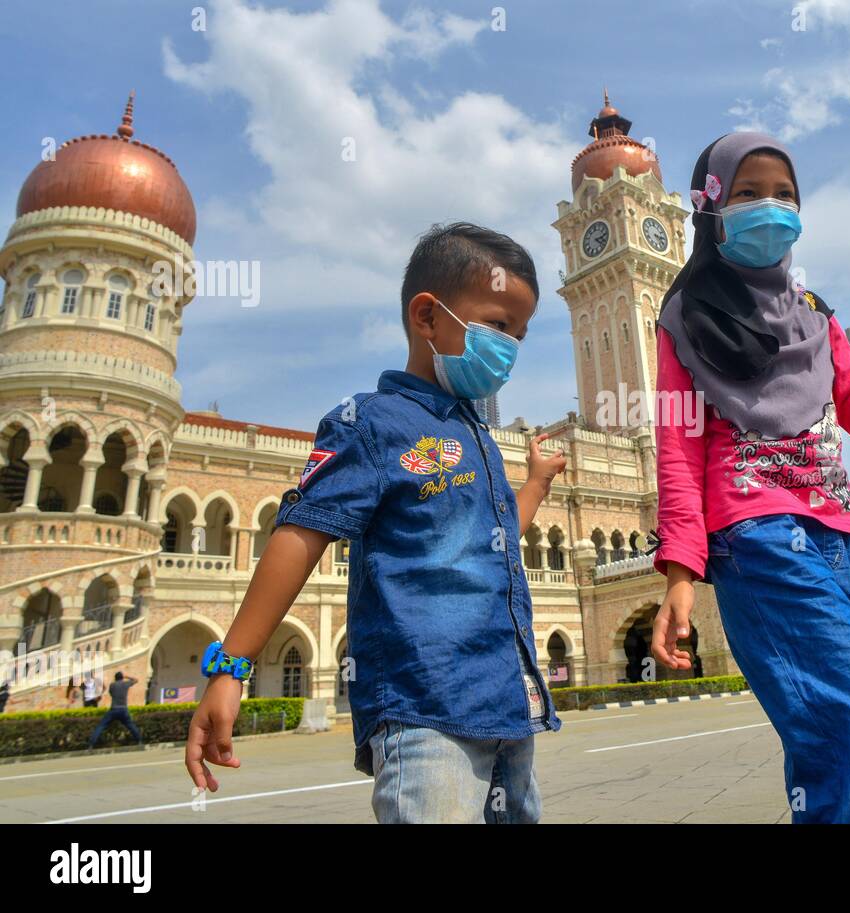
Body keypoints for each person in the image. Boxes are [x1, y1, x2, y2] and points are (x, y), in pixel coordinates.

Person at [183, 222, 567, 823]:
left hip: (506, 702)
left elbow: (494, 541)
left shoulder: (476, 434)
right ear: (427, 316)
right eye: (497, 325)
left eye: (519, 334)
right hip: (424, 704)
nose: (510, 347)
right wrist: (232, 666)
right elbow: (301, 532)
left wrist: (536, 484)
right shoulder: (371, 423)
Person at [649, 132, 850, 824]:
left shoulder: (816, 313)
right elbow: (678, 449)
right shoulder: (687, 317)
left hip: (841, 537)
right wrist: (681, 574)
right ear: (711, 206)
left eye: (785, 194)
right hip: (759, 538)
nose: (770, 207)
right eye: (748, 193)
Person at [88, 671, 143, 748]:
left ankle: (91, 744)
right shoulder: (125, 684)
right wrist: (127, 676)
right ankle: (139, 740)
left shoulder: (112, 685)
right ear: (122, 678)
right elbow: (136, 680)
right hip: (123, 709)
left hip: (114, 709)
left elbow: (111, 693)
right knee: (131, 725)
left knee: (101, 726)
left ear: (115, 678)